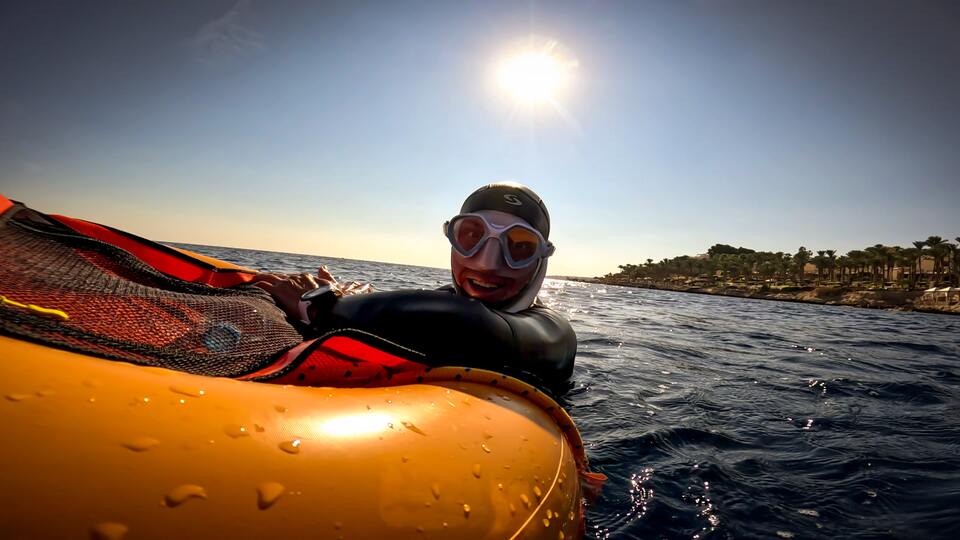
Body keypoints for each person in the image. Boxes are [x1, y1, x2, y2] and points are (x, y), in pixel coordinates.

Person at [255, 182, 576, 388]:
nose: (487, 264)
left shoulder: (553, 334)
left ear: (540, 260)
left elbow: (458, 321)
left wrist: (318, 304)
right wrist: (348, 299)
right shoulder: (434, 302)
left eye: (520, 247)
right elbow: (415, 314)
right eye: (471, 236)